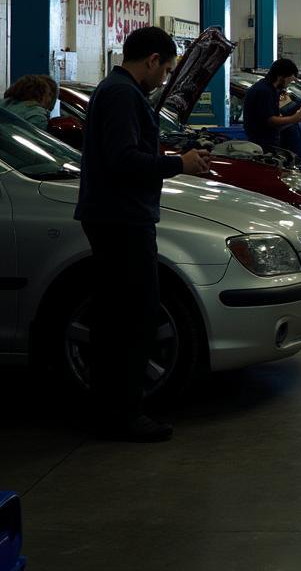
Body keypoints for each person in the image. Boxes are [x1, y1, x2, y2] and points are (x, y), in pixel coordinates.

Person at [74, 26, 210, 443]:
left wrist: (166, 151)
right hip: (121, 220)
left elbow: (128, 151)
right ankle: (123, 414)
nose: (166, 78)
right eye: (167, 70)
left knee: (118, 317)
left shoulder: (118, 91)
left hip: (118, 216)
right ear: (152, 60)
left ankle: (110, 410)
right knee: (133, 318)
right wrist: (177, 164)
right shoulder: (121, 94)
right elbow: (123, 160)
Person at [242, 58, 301, 154]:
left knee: (300, 127)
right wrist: (294, 118)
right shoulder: (263, 91)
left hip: (269, 139)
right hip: (262, 143)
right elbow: (270, 120)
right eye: (289, 81)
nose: (288, 85)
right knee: (294, 130)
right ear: (281, 76)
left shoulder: (272, 90)